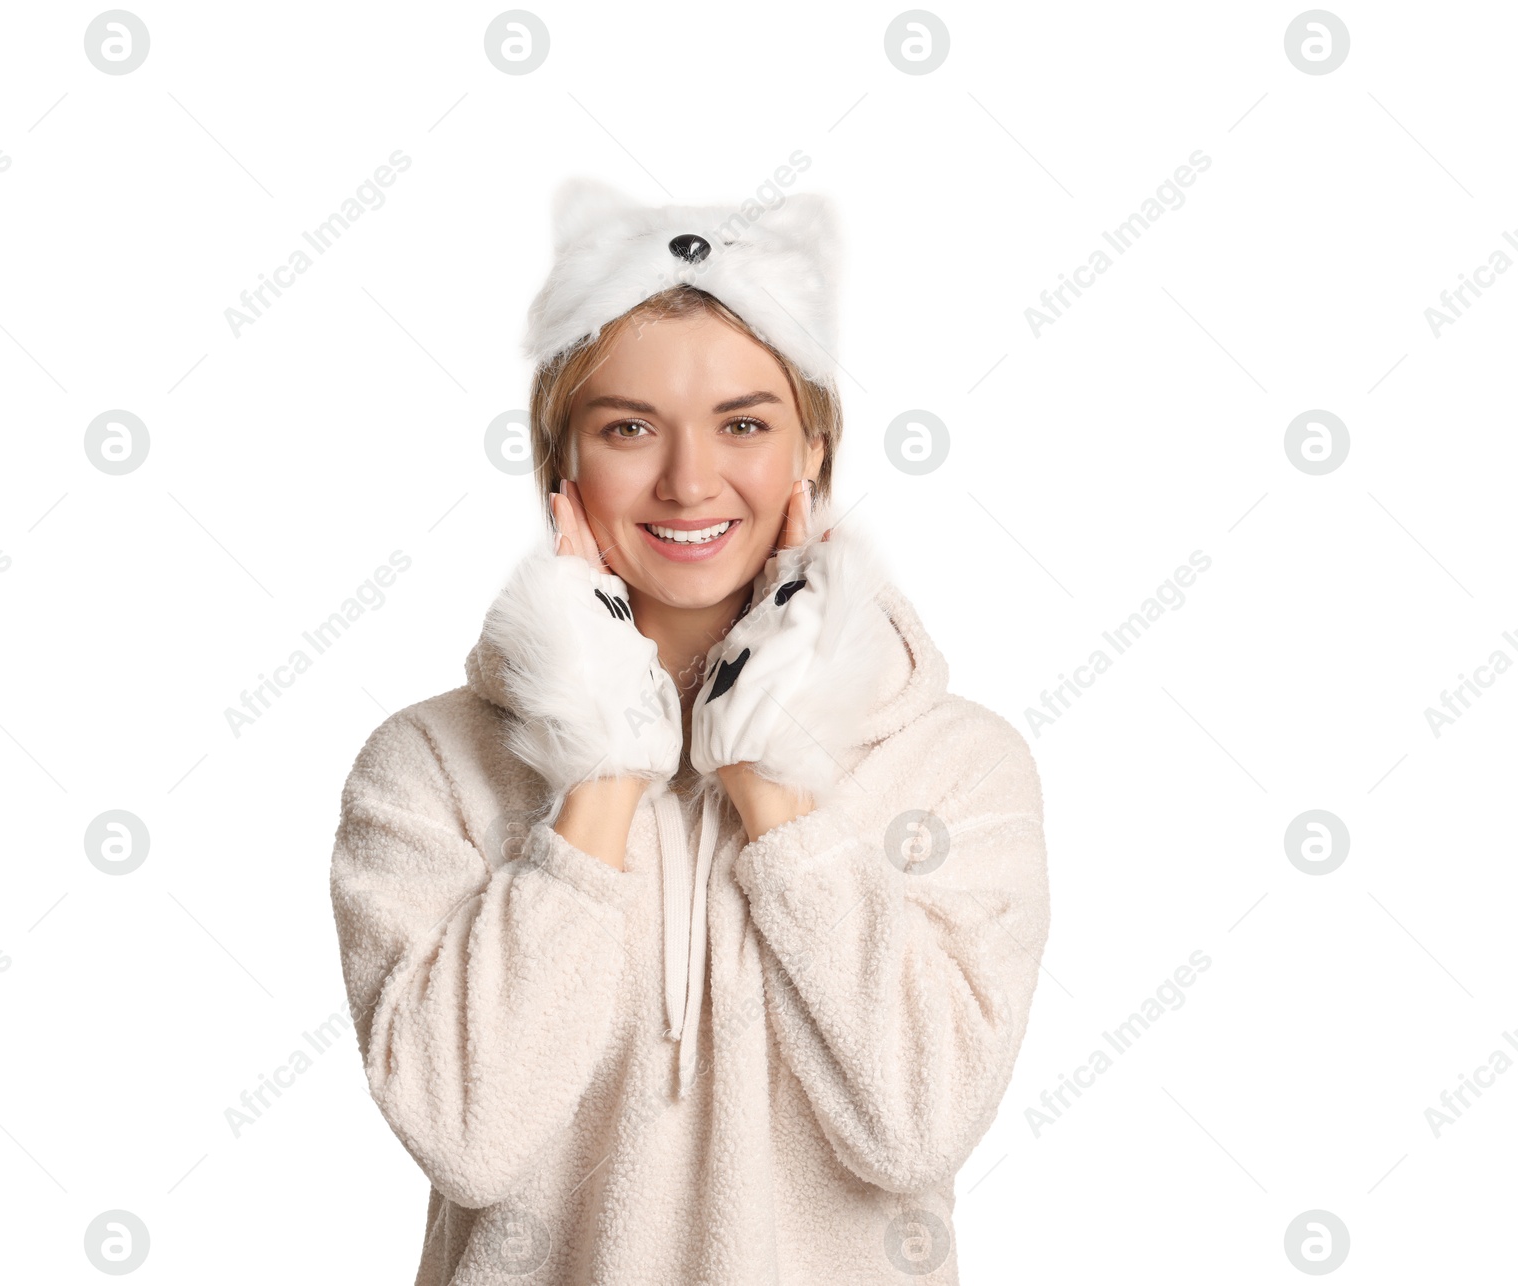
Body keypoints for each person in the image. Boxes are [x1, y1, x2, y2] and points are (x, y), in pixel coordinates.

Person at [328, 178, 1052, 1285]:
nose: (688, 478)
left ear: (811, 451)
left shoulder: (957, 765)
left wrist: (775, 781)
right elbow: (467, 1131)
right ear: (558, 463)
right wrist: (600, 772)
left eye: (744, 424)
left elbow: (913, 1126)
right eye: (629, 427)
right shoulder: (427, 768)